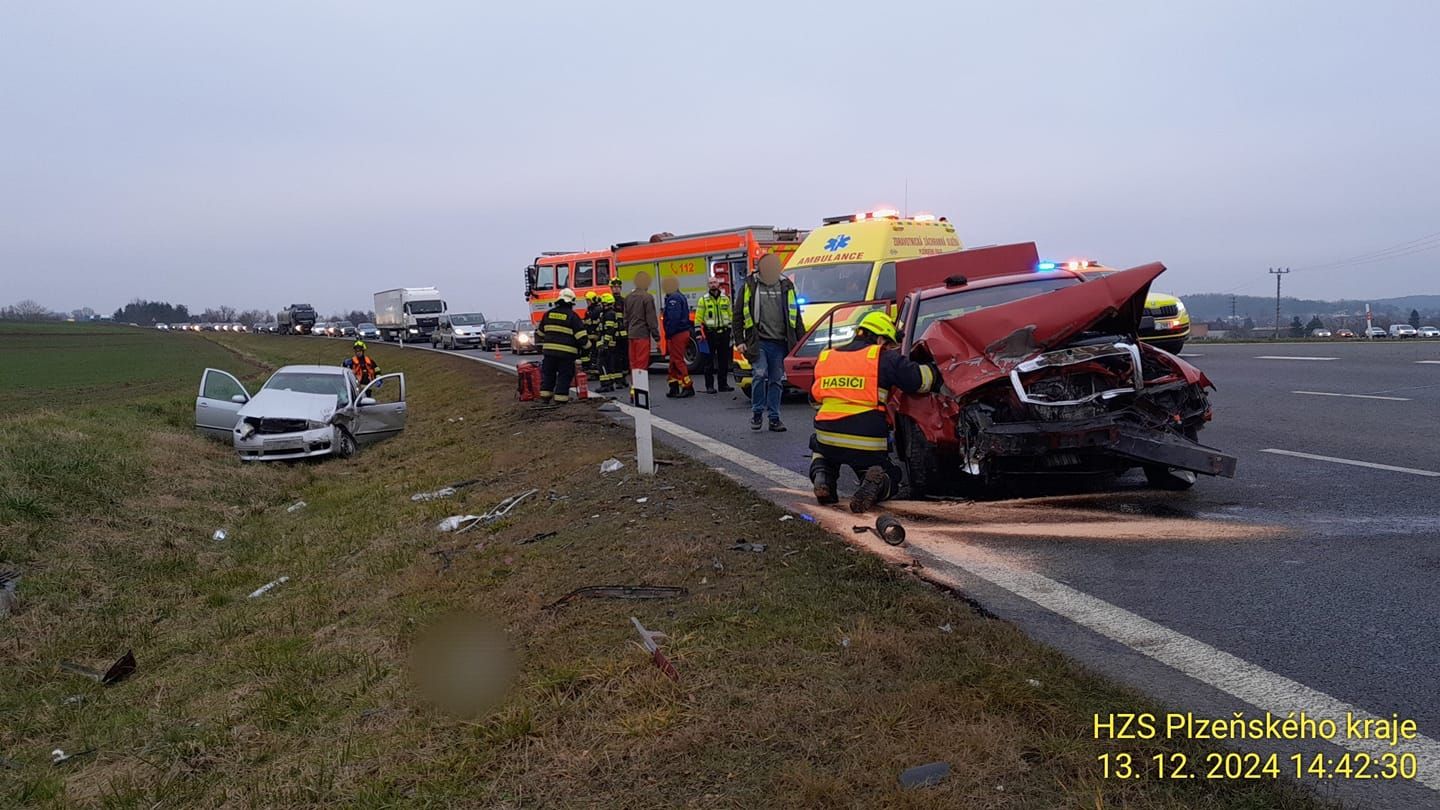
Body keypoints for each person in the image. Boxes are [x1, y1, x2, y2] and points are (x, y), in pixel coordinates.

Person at [808, 311, 939, 513]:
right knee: (889, 475)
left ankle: (823, 478)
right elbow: (919, 381)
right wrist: (936, 368)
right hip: (866, 440)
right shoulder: (882, 357)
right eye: (889, 344)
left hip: (828, 435)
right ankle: (877, 486)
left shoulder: (827, 356)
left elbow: (814, 399)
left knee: (820, 450)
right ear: (879, 338)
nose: (890, 348)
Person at [733, 253, 804, 432]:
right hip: (759, 341)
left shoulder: (786, 285)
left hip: (780, 341)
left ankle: (774, 418)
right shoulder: (751, 285)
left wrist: (800, 341)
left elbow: (796, 314)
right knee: (759, 374)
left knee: (776, 381)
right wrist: (740, 340)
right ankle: (757, 413)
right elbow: (738, 315)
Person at [536, 288, 591, 404]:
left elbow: (539, 334)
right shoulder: (573, 316)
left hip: (549, 354)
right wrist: (588, 347)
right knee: (564, 376)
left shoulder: (548, 314)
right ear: (571, 302)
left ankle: (545, 397)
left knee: (548, 375)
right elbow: (582, 338)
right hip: (566, 355)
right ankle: (560, 400)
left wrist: (545, 346)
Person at [696, 277, 733, 394]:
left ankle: (723, 384)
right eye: (710, 283)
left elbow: (730, 315)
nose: (713, 285)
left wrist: (731, 331)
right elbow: (698, 318)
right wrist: (698, 333)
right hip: (709, 333)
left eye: (714, 282)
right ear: (708, 285)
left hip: (724, 332)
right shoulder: (703, 300)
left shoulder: (725, 299)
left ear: (718, 284)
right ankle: (710, 386)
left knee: (723, 361)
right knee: (708, 361)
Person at [661, 276, 694, 398]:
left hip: (677, 333)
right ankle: (673, 386)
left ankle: (687, 386)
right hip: (680, 332)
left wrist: (669, 332)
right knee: (673, 361)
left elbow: (674, 318)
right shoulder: (677, 296)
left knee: (678, 361)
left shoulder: (673, 298)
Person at [624, 270, 659, 378]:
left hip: (631, 335)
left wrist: (628, 331)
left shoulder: (628, 297)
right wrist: (657, 337)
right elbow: (651, 320)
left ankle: (634, 390)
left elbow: (626, 319)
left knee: (633, 364)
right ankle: (640, 390)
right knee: (641, 365)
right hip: (642, 335)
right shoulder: (647, 297)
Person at [597, 293, 627, 392]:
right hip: (609, 343)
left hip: (608, 343)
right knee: (610, 364)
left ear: (606, 304)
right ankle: (610, 383)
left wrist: (605, 342)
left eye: (602, 303)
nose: (601, 305)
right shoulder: (607, 313)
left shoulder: (609, 314)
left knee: (602, 364)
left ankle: (606, 385)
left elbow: (609, 330)